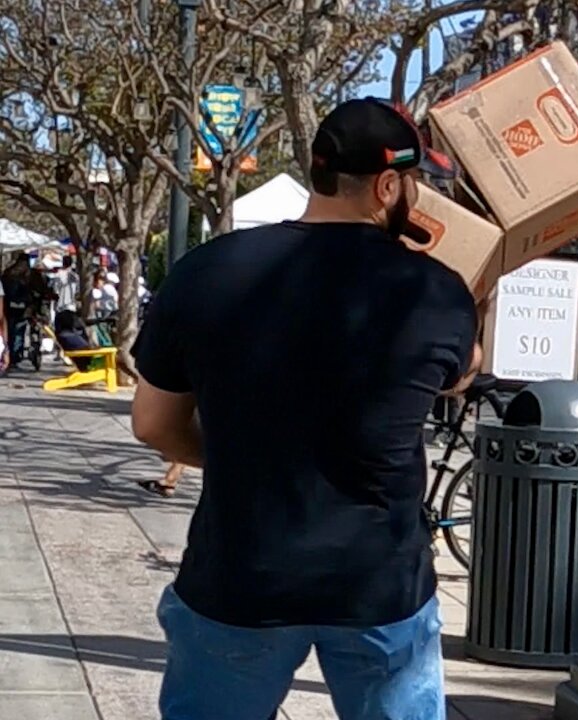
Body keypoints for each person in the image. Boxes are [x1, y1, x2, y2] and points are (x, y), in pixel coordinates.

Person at [131, 97, 478, 720]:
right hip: (379, 585)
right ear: (388, 185)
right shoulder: (434, 291)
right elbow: (460, 376)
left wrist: (235, 455)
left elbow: (153, 423)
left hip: (239, 575)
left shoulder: (205, 272)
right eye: (415, 185)